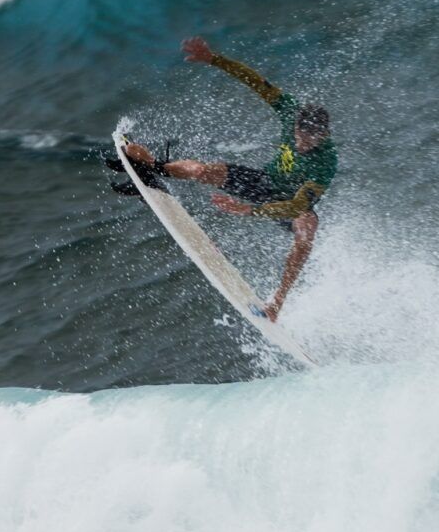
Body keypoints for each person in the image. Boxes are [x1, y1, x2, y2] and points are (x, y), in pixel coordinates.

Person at [114, 37, 337, 322]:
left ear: (323, 135)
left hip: (288, 202)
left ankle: (276, 304)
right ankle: (154, 167)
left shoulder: (326, 162)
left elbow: (295, 207)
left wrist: (250, 211)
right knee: (204, 170)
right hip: (264, 180)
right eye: (298, 135)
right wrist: (214, 59)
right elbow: (255, 81)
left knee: (307, 229)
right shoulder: (290, 110)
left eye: (309, 140)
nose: (301, 143)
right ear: (295, 124)